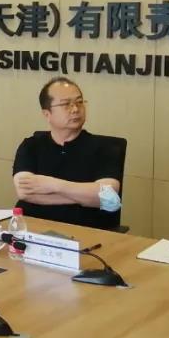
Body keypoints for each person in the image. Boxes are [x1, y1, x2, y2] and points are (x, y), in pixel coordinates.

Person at [12, 77, 124, 230]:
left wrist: (52, 184)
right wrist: (84, 196)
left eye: (79, 102)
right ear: (47, 114)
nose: (75, 109)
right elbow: (24, 192)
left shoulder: (105, 148)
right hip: (33, 229)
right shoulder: (31, 145)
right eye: (66, 104)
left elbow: (108, 196)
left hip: (88, 232)